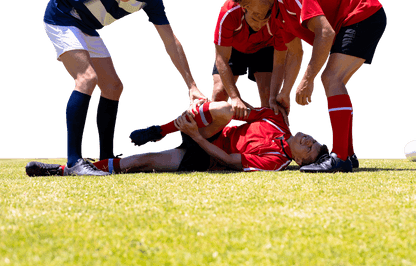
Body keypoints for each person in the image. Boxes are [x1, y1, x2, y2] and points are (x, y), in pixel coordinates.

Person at [42, 0, 206, 176]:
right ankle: (73, 162)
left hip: (86, 28)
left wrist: (192, 86)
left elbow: (171, 41)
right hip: (61, 17)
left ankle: (106, 159)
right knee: (87, 78)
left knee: (113, 86)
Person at [231, 0, 388, 173]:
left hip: (362, 13)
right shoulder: (277, 14)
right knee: (334, 81)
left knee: (331, 78)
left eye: (248, 6)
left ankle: (340, 158)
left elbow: (325, 32)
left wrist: (307, 79)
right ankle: (347, 153)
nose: (248, 13)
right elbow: (295, 54)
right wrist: (284, 93)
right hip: (352, 20)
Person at [25, 101, 329, 176]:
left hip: (205, 153)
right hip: (210, 131)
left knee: (143, 161)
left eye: (310, 147)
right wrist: (200, 118)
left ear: (300, 161)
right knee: (221, 107)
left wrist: (195, 135)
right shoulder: (278, 120)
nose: (308, 139)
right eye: (313, 139)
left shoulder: (274, 162)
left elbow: (226, 160)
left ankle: (66, 170)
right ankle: (160, 129)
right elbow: (239, 112)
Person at [211, 0, 288, 121]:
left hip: (265, 48)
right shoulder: (229, 11)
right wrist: (235, 97)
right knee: (219, 93)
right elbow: (221, 58)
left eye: (263, 20)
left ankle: (272, 137)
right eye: (254, 18)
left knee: (271, 103)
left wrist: (274, 97)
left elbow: (280, 62)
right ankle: (212, 138)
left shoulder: (278, 18)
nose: (258, 25)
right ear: (244, 8)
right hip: (234, 47)